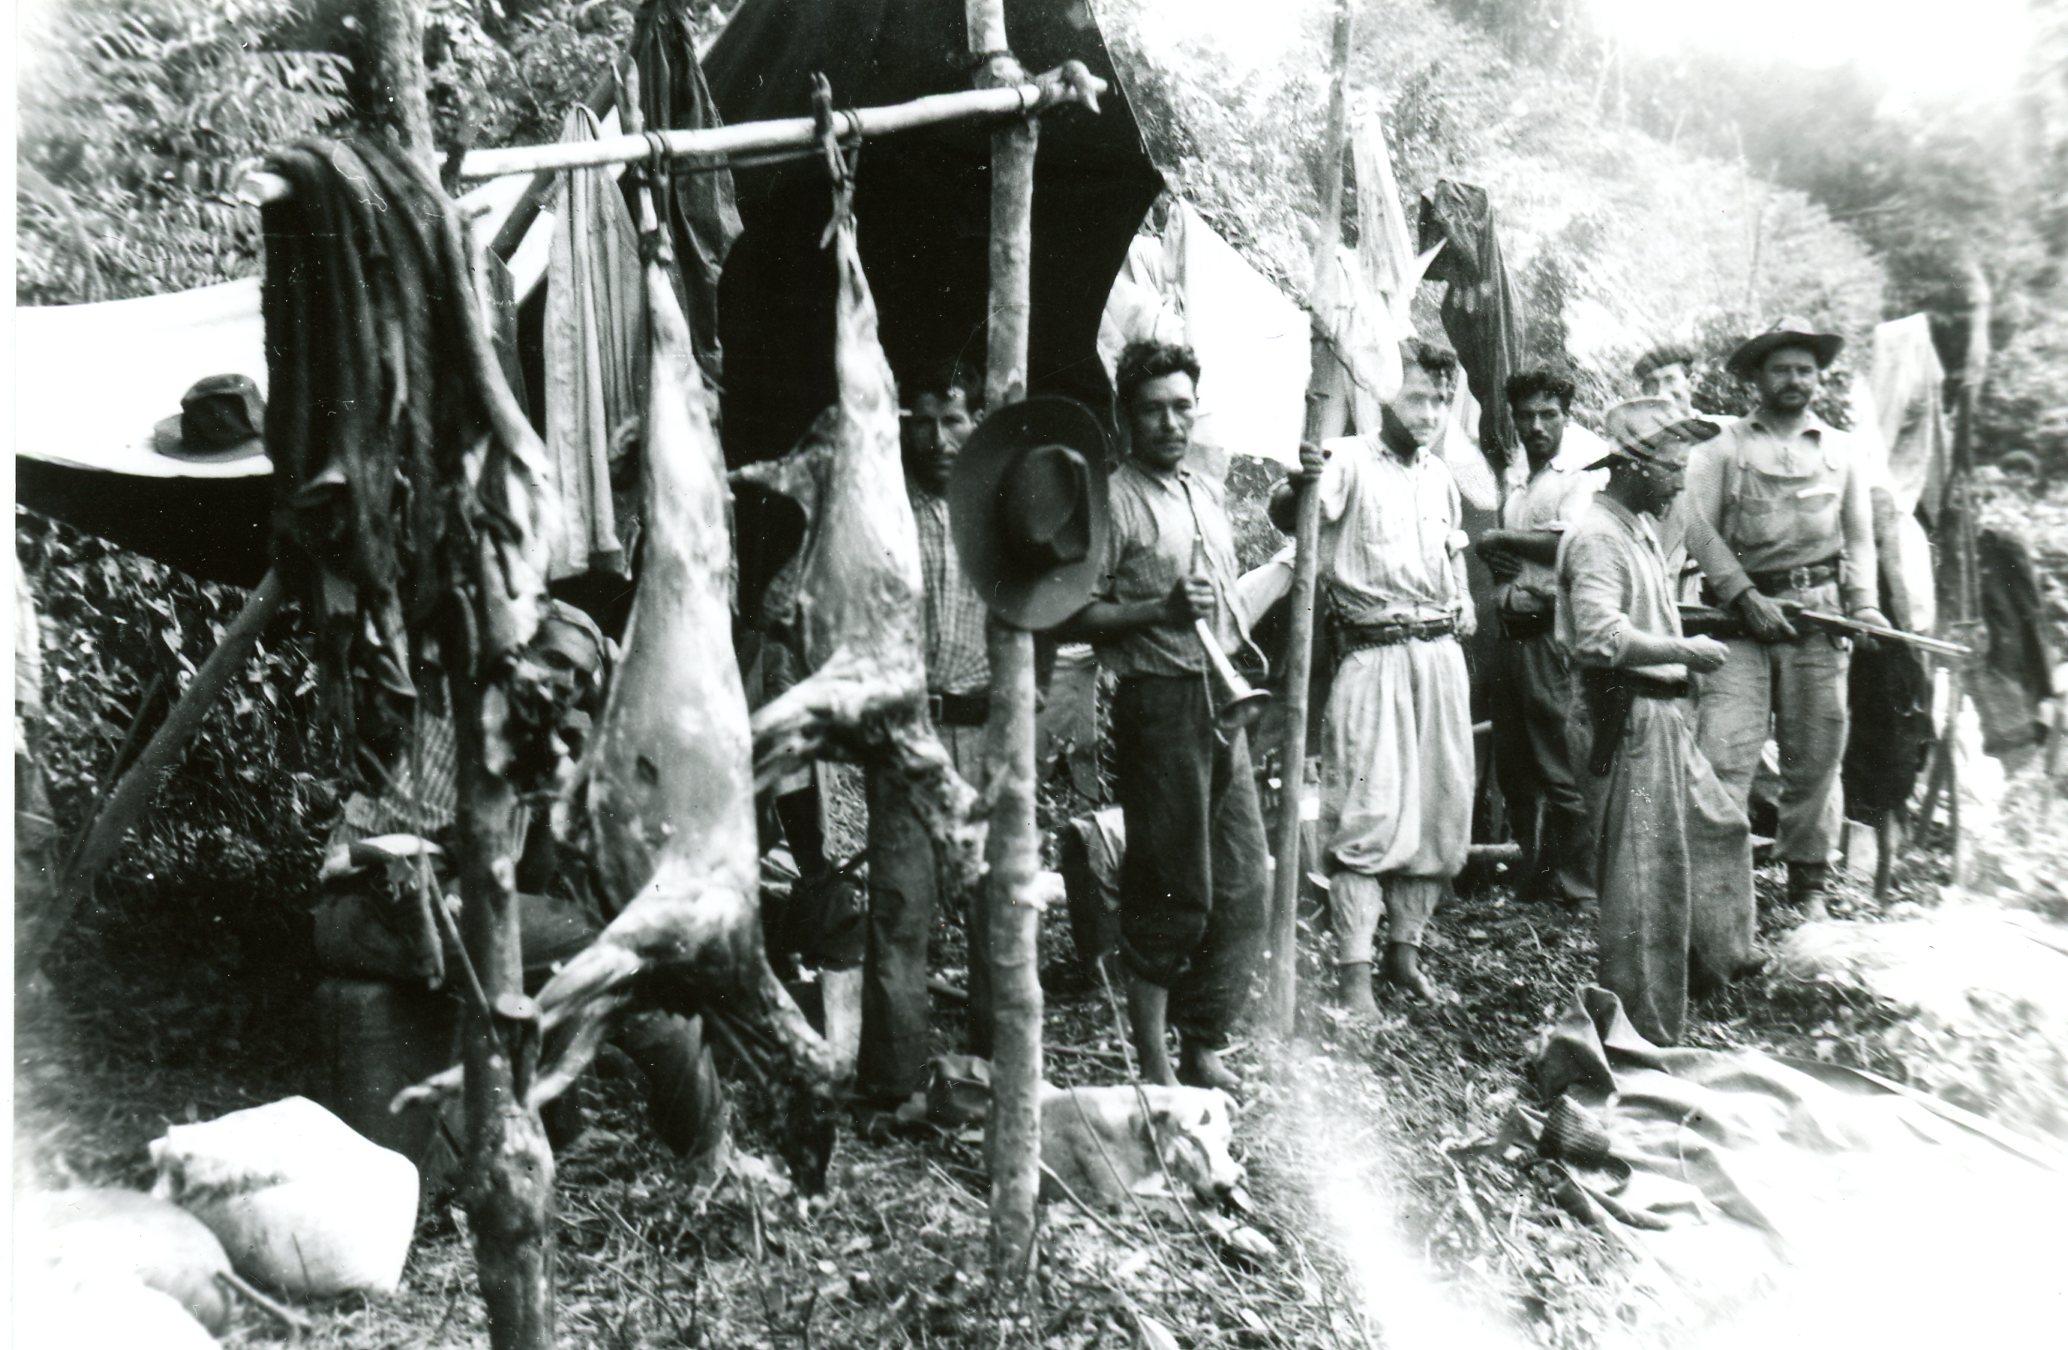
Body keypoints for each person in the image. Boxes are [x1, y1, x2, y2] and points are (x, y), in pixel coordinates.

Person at [1063, 340, 1267, 1089]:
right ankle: (1154, 1061)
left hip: (1219, 699)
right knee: (1171, 890)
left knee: (1244, 883)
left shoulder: (1201, 491)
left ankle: (1202, 1041)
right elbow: (1073, 613)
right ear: (1125, 417)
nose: (1171, 424)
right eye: (1153, 411)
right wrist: (1157, 610)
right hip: (1158, 704)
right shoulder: (1111, 500)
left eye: (1183, 408)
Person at [1275, 338, 1476, 1013]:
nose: (1430, 413)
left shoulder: (1439, 476)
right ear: (1385, 394)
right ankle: (1354, 974)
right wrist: (1298, 482)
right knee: (1369, 816)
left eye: (1441, 401)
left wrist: (1463, 599)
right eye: (1418, 397)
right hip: (1373, 653)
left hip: (1439, 657)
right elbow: (1293, 514)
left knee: (1438, 814)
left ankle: (1404, 954)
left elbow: (1452, 552)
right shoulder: (1348, 459)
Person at [1558, 398, 1757, 1046]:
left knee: (1717, 828)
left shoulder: (1637, 526)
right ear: (1635, 467)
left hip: (1661, 714)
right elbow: (1601, 636)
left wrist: (1692, 632)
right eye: (1671, 468)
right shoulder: (1598, 537)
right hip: (1628, 719)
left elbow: (1644, 611)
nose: (1678, 483)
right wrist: (1685, 651)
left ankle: (1717, 963)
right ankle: (1643, 1032)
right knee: (1644, 878)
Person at [1682, 318, 1887, 919]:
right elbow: (1698, 530)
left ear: (1819, 377)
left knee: (1815, 753)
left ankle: (1809, 887)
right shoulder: (1722, 448)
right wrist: (1745, 597)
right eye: (1781, 370)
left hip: (1817, 619)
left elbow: (1861, 538)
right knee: (1724, 751)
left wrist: (1864, 604)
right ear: (1757, 377)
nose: (1795, 380)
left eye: (1805, 370)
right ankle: (1717, 891)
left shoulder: (1843, 451)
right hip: (1739, 624)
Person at [854, 364, 996, 1107]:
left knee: (994, 906)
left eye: (954, 420)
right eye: (924, 423)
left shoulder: (997, 511)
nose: (938, 439)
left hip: (983, 730)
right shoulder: (882, 514)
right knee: (901, 910)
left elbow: (1043, 606)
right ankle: (894, 1084)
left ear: (979, 422)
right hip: (907, 734)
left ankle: (996, 1071)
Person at [1474, 368, 1607, 906]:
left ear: (1565, 416)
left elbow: (1569, 543)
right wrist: (1502, 554)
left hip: (1551, 633)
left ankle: (1581, 887)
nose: (1536, 425)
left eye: (1548, 414)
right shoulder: (1517, 474)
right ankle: (1536, 874)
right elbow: (1512, 550)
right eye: (1526, 415)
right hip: (1512, 633)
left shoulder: (1579, 471)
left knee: (1560, 760)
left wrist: (1502, 538)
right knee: (1516, 767)